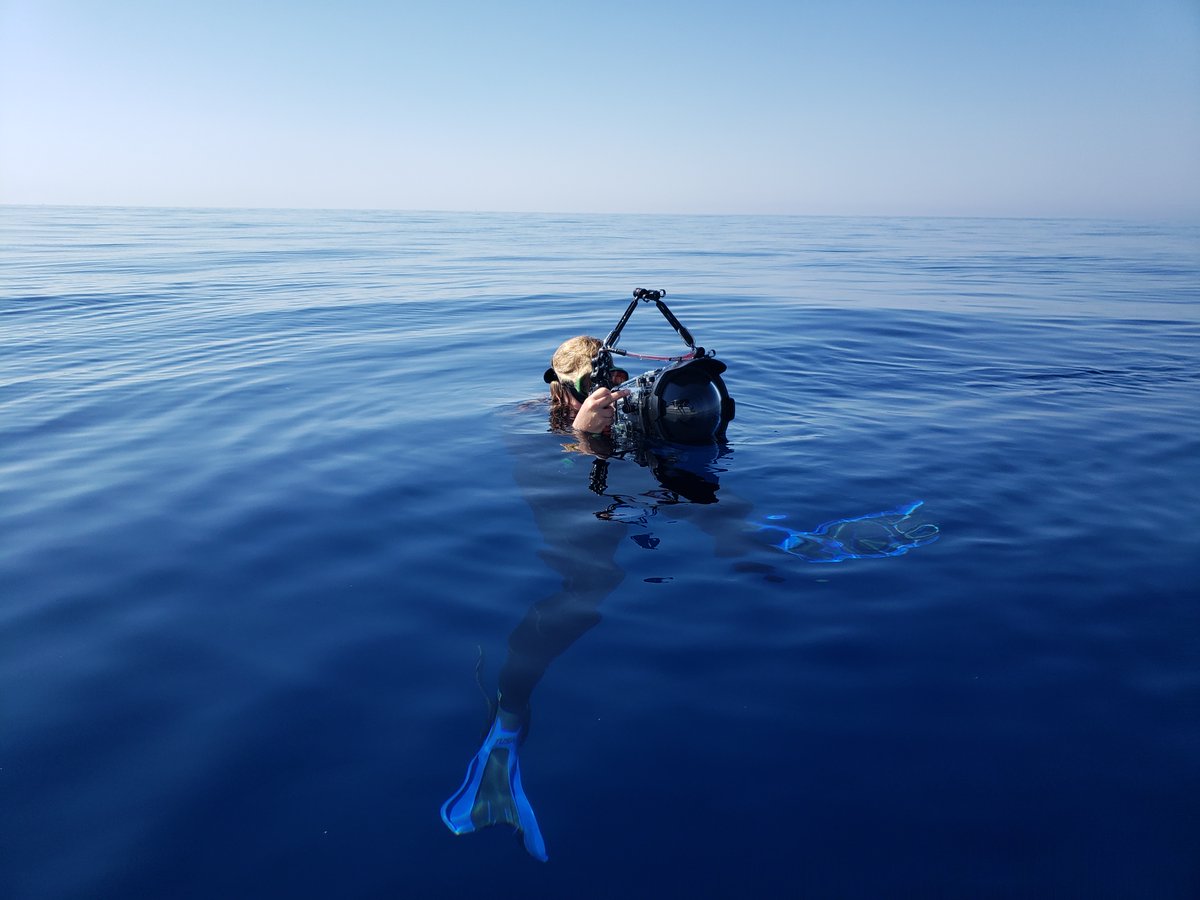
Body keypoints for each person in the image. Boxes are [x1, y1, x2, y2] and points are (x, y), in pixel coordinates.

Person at [542, 335, 630, 435]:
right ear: (564, 388)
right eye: (590, 387)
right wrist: (582, 431)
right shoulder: (551, 419)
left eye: (613, 381)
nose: (603, 394)